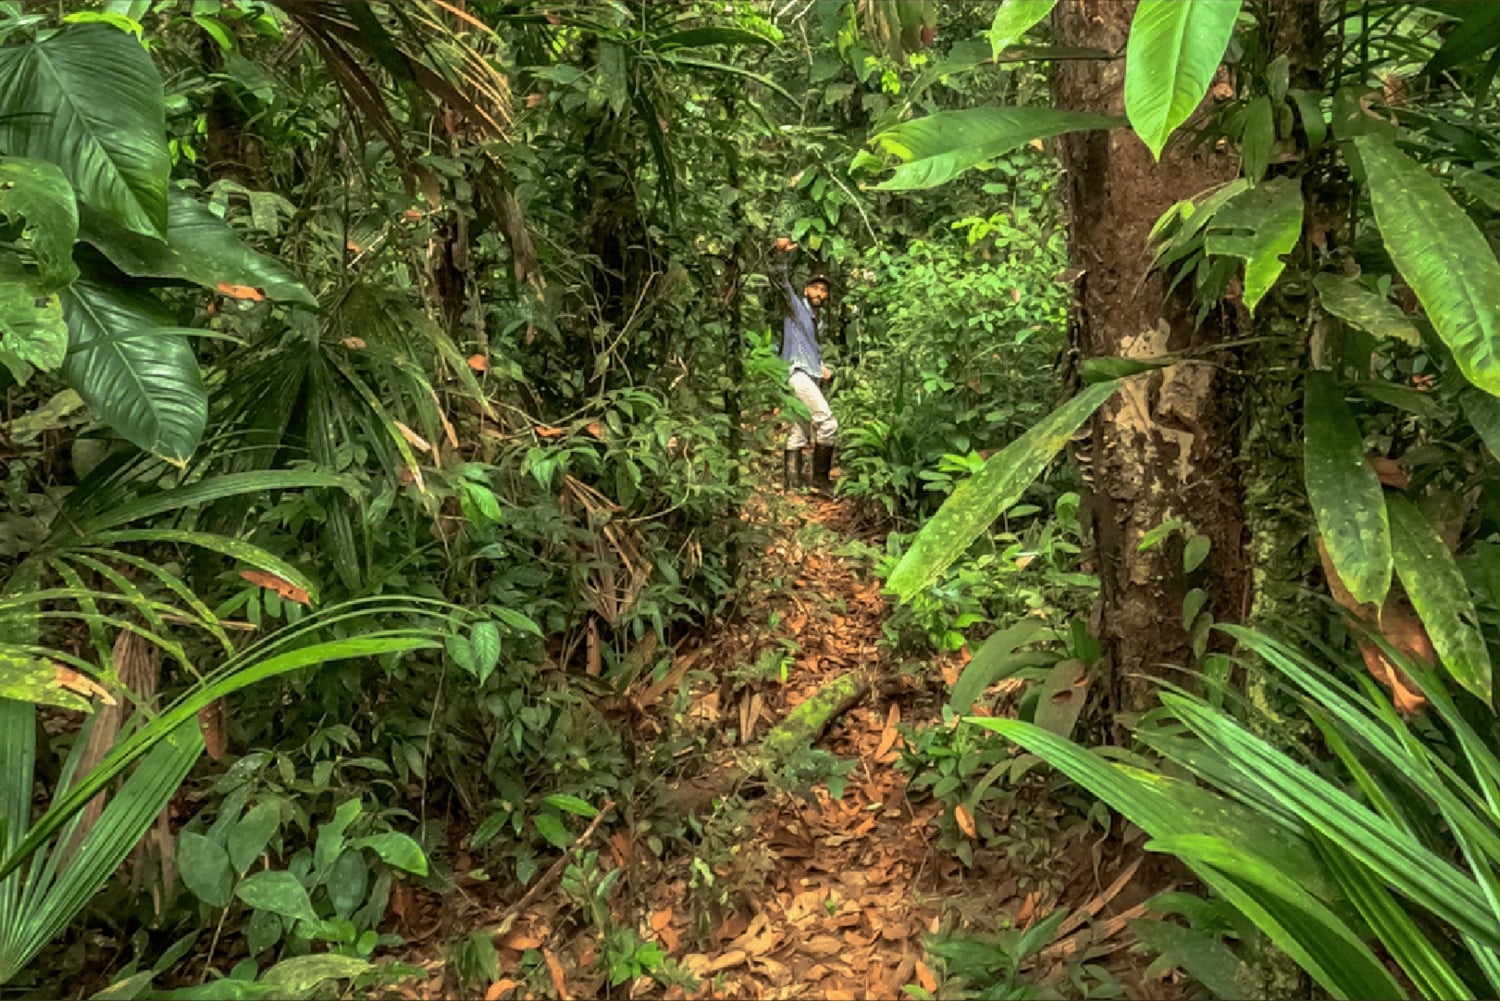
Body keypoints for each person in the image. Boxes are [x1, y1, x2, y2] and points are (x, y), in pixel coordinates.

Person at [772, 236, 837, 494]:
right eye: (815, 288)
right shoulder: (796, 308)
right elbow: (780, 282)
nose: (819, 293)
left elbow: (808, 348)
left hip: (807, 374)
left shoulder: (816, 322)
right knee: (828, 423)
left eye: (823, 290)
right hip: (797, 375)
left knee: (800, 429)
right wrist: (781, 255)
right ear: (806, 290)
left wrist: (820, 366)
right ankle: (820, 481)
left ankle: (792, 485)